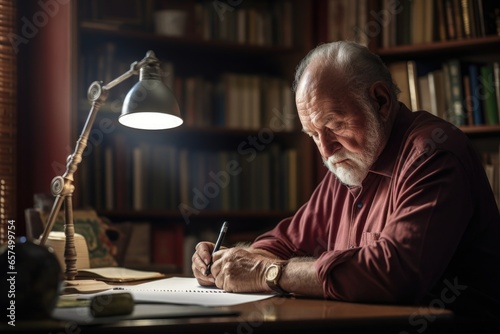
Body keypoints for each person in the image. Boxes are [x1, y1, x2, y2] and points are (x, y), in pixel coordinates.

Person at [191, 41, 500, 328]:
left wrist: (268, 273)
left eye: (334, 125)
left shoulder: (434, 153)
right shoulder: (351, 163)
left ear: (381, 101)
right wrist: (230, 263)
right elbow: (285, 242)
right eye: (313, 133)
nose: (325, 149)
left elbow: (394, 275)